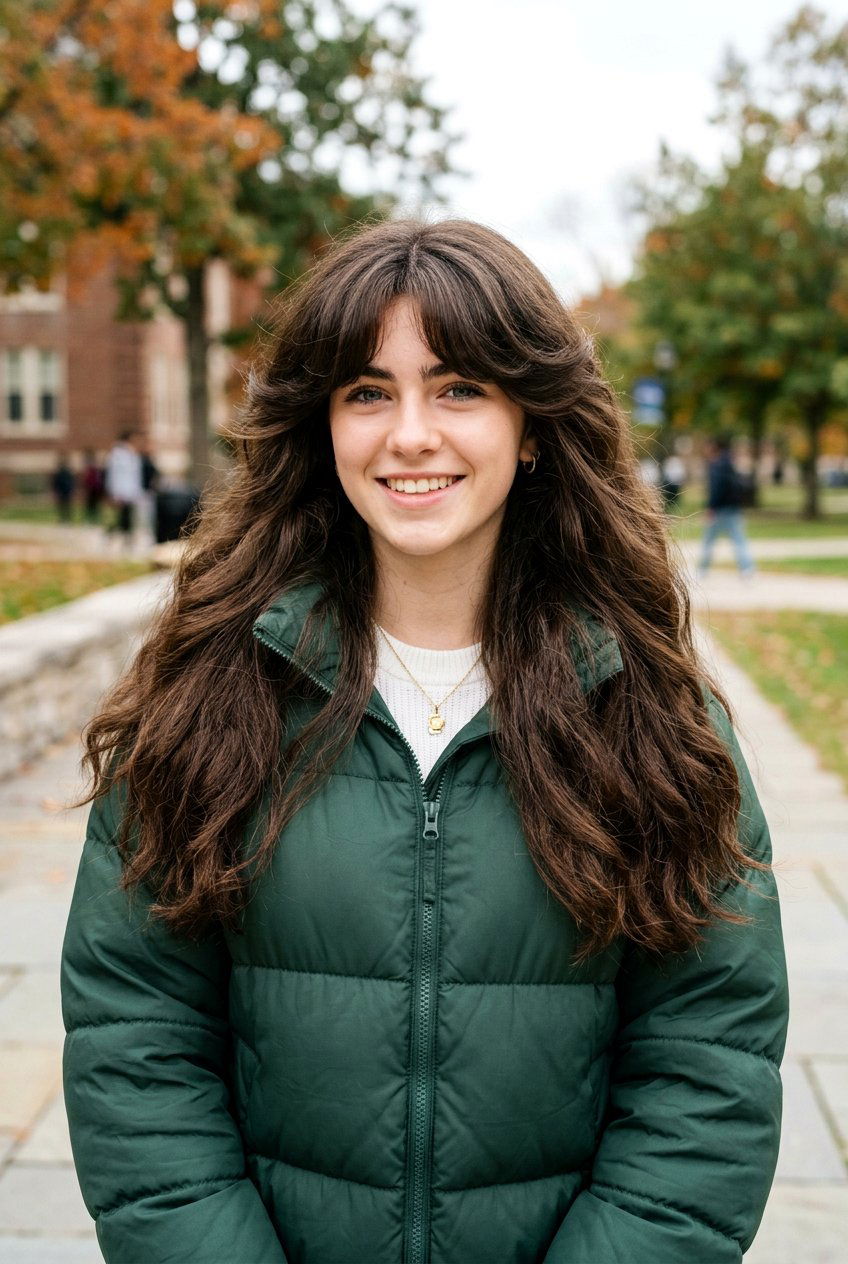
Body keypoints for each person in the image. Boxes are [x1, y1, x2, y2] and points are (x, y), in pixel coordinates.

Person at [62, 220, 788, 1264]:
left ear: (530, 425)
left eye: (456, 388)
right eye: (367, 391)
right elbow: (135, 1044)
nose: (409, 432)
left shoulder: (650, 713)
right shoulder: (207, 694)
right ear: (321, 423)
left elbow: (707, 1062)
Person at [697, 435, 756, 578]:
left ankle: (702, 570)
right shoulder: (730, 463)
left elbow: (716, 488)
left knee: (708, 540)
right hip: (733, 507)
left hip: (719, 509)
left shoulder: (716, 464)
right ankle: (747, 569)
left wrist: (711, 507)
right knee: (739, 539)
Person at [103, 429, 143, 547]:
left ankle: (127, 537)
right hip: (120, 491)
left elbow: (135, 476)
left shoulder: (133, 454)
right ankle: (111, 535)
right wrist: (113, 492)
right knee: (118, 517)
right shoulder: (116, 455)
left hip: (130, 492)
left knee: (128, 516)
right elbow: (113, 475)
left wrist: (136, 492)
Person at [80, 449, 106, 524]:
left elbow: (97, 479)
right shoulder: (90, 468)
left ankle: (95, 518)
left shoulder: (93, 468)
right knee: (90, 505)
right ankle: (90, 518)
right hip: (91, 488)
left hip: (95, 489)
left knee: (94, 505)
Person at [50, 451, 75, 521]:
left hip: (66, 490)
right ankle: (63, 518)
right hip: (62, 491)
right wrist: (55, 490)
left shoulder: (68, 471)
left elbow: (72, 481)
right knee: (62, 506)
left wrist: (71, 489)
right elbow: (55, 482)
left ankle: (67, 518)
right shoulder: (60, 471)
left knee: (67, 505)